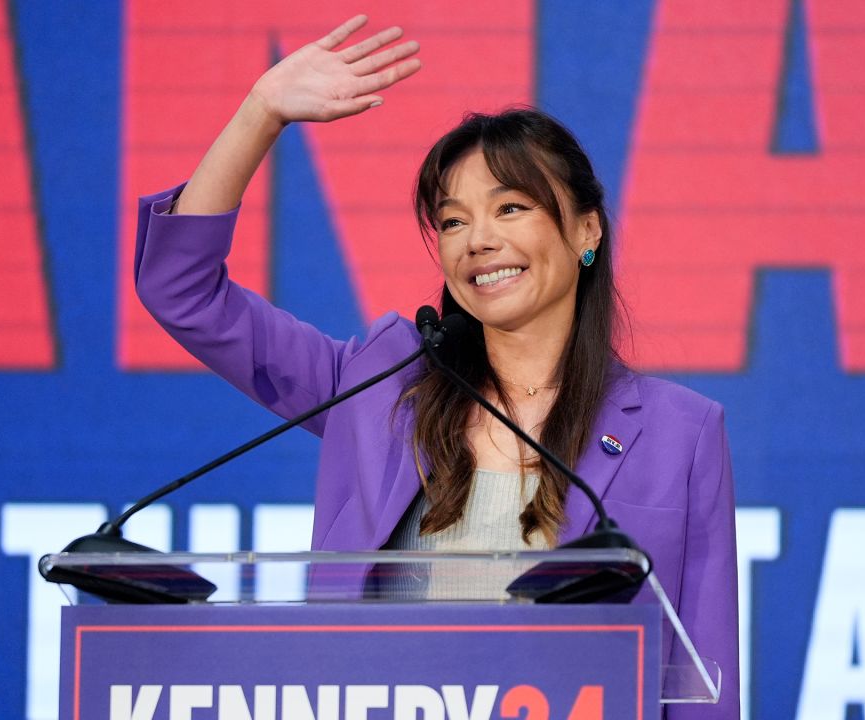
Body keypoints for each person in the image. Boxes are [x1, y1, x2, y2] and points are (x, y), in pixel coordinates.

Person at [133, 15, 738, 718]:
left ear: (586, 230)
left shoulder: (678, 433)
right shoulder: (381, 388)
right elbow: (183, 291)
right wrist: (261, 113)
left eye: (511, 208)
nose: (479, 240)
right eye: (452, 221)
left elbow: (702, 678)